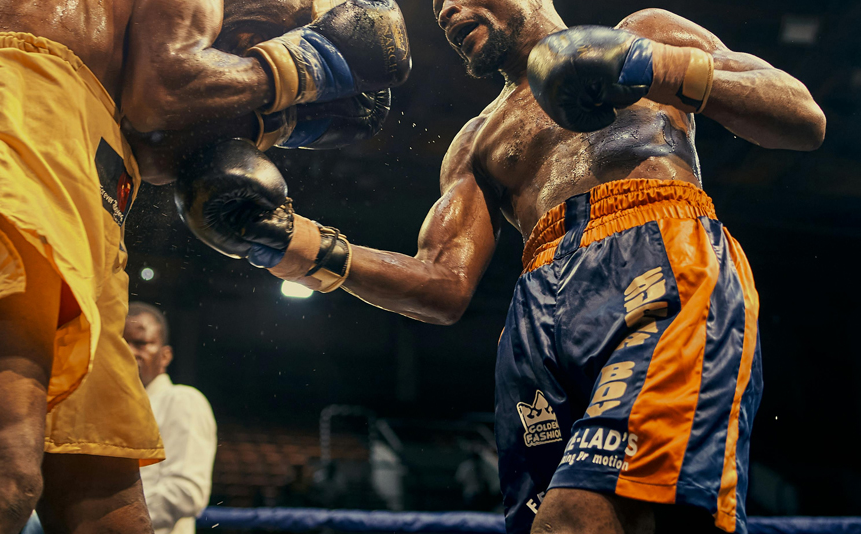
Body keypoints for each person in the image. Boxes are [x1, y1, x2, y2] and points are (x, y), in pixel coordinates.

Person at [175, 0, 826, 532]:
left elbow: (803, 116)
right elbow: (443, 285)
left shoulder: (643, 31)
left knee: (576, 517)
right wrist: (296, 245)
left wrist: (652, 66)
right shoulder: (476, 142)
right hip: (539, 312)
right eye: (438, 4)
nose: (446, 10)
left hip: (656, 261)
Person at [0, 0, 410, 529]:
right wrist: (309, 64)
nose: (249, 51)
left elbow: (157, 152)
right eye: (284, 32)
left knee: (110, 514)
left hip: (98, 173)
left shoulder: (154, 49)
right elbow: (162, 93)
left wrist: (272, 114)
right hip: (21, 114)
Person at [126, 302, 217, 534]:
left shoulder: (182, 400)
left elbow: (185, 492)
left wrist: (110, 519)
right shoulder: (108, 409)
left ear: (165, 355)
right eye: (120, 343)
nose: (128, 352)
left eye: (140, 343)